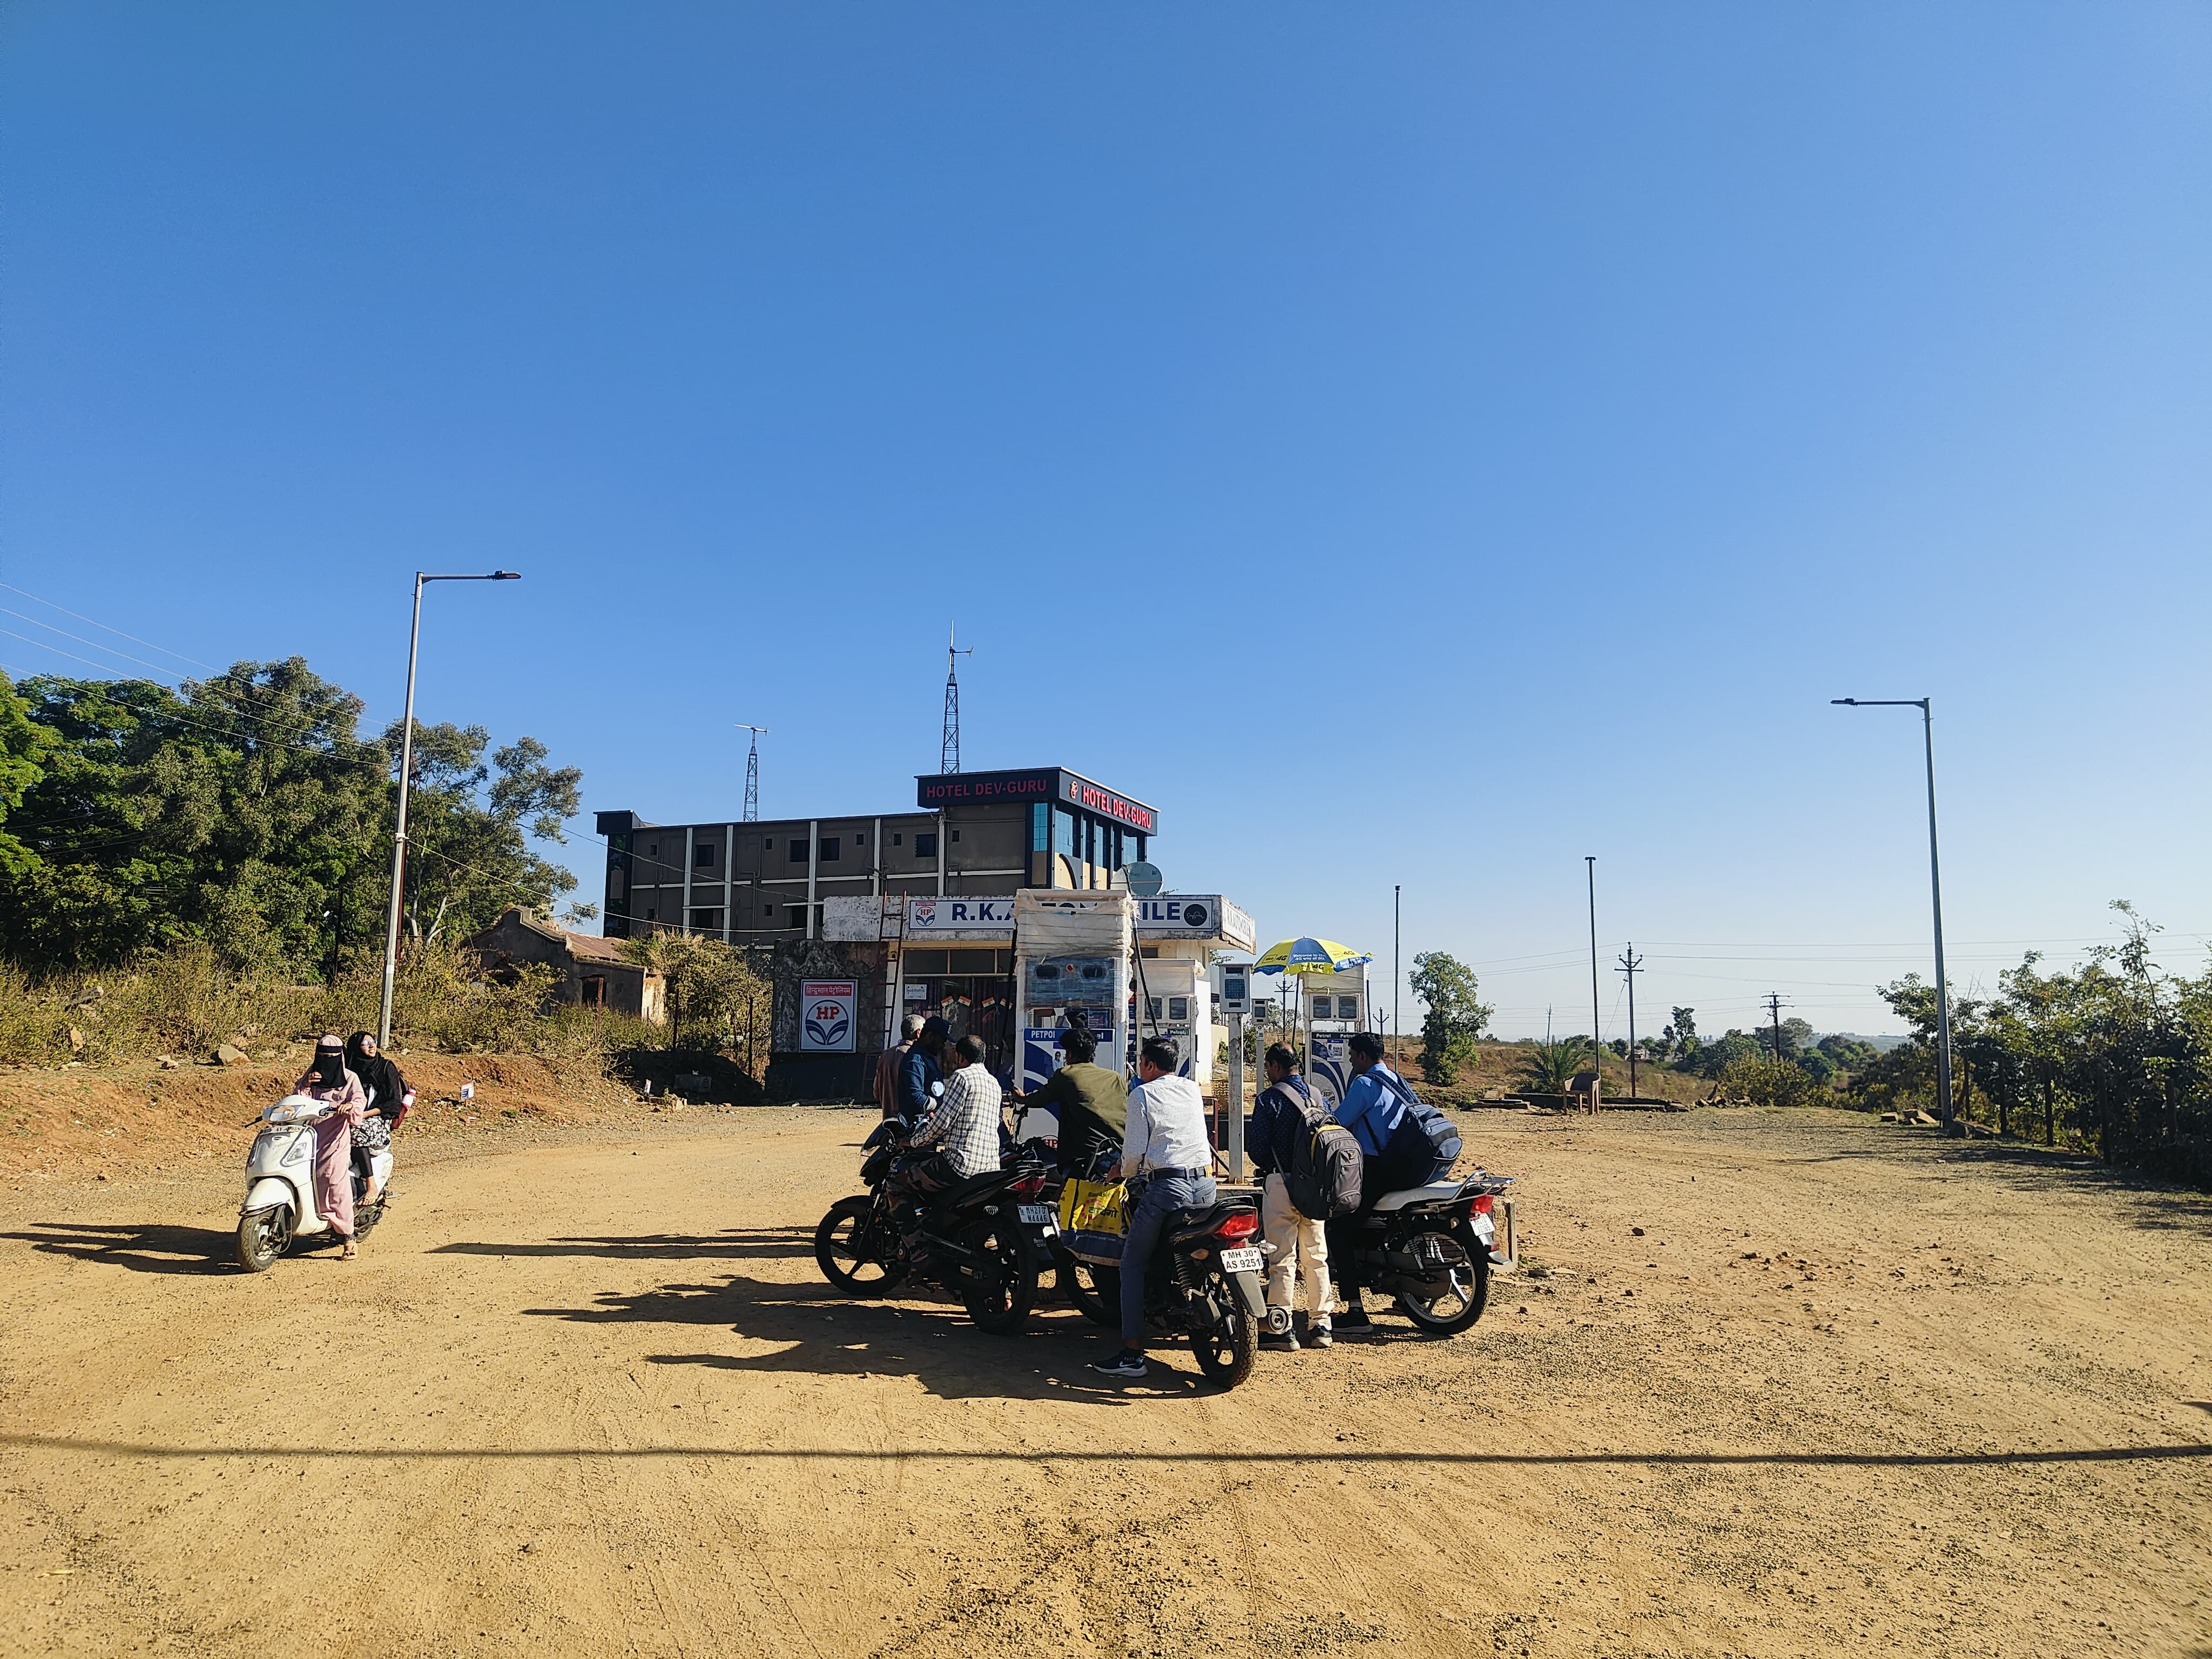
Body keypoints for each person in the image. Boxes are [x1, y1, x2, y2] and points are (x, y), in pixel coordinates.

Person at [1090, 1036, 1215, 1381]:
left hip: (1168, 1188)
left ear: (1147, 1064)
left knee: (1131, 1264)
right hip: (1205, 1187)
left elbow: (1133, 1155)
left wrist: (1120, 1171)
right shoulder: (1190, 1089)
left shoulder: (1142, 1094)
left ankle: (1132, 1355)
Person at [1325, 1030, 1444, 1337]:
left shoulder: (1365, 1084)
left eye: (1353, 1057)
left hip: (1376, 1169)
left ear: (1363, 1057)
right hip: (1406, 1165)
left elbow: (1338, 1121)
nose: (1352, 1063)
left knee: (1339, 1232)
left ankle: (1355, 1312)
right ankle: (1410, 1294)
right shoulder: (1397, 1080)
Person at [1250, 1043, 1333, 1351]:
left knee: (1282, 1257)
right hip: (1315, 1188)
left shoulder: (1269, 1100)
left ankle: (1281, 1329)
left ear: (1274, 1066)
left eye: (1268, 1067)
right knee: (1316, 1256)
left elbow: (1257, 1149)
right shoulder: (1318, 1096)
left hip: (1281, 1183)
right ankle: (1321, 1325)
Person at [892, 1034, 1002, 1220]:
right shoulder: (994, 1083)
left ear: (961, 1057)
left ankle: (915, 1244)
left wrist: (912, 1142)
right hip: (990, 1168)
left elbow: (942, 1123)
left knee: (897, 1184)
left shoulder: (962, 1077)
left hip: (960, 1165)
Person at [1015, 1019, 1128, 1178]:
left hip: (1084, 1160)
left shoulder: (1067, 1074)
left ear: (1069, 1054)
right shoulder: (1116, 1078)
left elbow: (1040, 1099)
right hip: (1118, 1157)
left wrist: (1022, 1099)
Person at [294, 1034, 368, 1260]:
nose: (326, 1060)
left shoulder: (350, 1078)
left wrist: (349, 1106)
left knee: (335, 1183)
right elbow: (297, 1098)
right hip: (307, 1137)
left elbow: (359, 1101)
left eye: (331, 1057)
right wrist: (305, 1085)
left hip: (334, 1139)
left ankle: (348, 1237)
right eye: (322, 1056)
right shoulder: (312, 1075)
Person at [343, 1031, 414, 1205]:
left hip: (378, 1119)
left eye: (373, 1041)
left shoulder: (385, 1067)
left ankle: (371, 1185)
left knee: (357, 1133)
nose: (372, 1046)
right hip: (348, 1116)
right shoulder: (348, 1068)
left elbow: (393, 1104)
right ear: (355, 1049)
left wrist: (365, 1114)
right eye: (365, 1043)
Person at [894, 1016, 950, 1129]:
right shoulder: (915, 1060)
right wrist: (941, 1105)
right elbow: (916, 1099)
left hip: (928, 1126)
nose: (943, 1046)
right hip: (917, 1128)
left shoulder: (928, 1058)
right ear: (930, 1036)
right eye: (941, 1041)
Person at [874, 1013, 927, 1122]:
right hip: (911, 1122)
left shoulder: (886, 1055)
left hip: (888, 1122)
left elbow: (876, 1092)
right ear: (919, 1033)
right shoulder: (916, 1057)